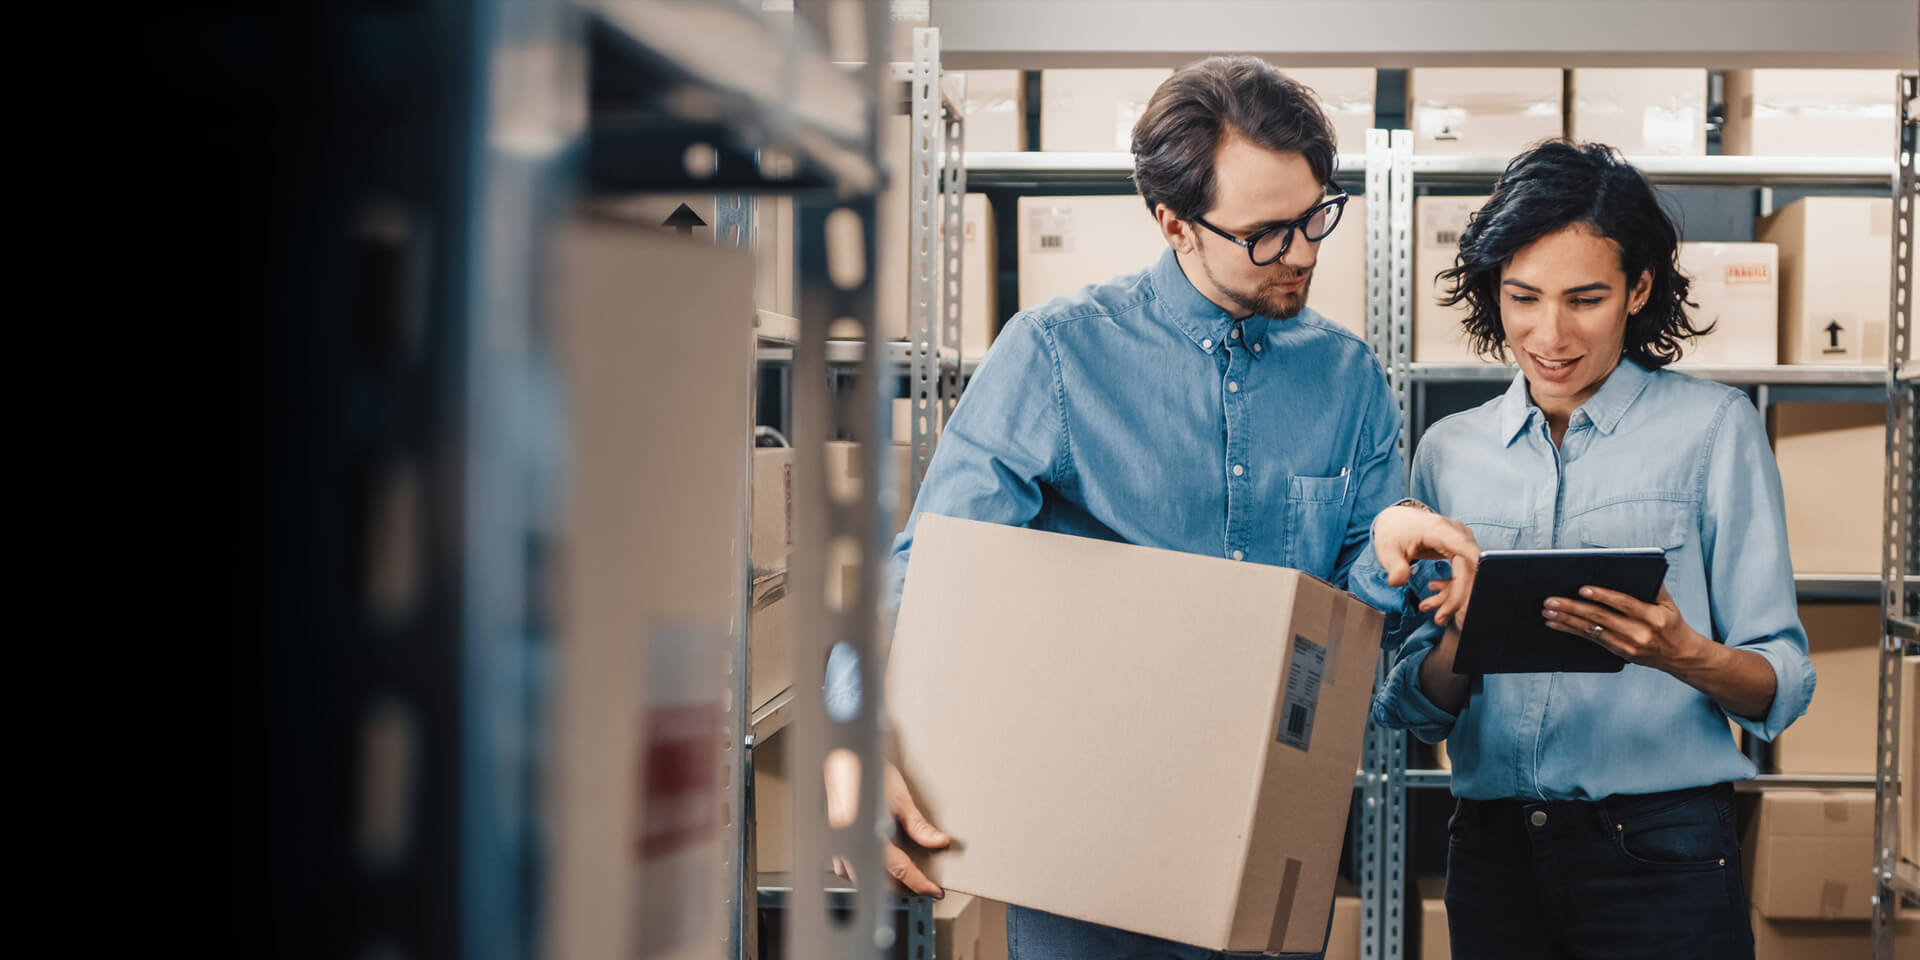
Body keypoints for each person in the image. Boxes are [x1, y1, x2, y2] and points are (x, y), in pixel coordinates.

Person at [830, 56, 1482, 960]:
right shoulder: (1057, 358)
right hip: (1087, 851)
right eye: (1266, 234)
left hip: (1272, 839)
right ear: (1174, 222)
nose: (1301, 253)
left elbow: (1350, 633)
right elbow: (931, 572)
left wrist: (1385, 548)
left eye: (1315, 217)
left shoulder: (1350, 381)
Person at [1364, 141, 1816, 960]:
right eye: (1523, 297)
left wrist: (1682, 655)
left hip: (1660, 850)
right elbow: (1413, 708)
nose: (1551, 334)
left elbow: (1779, 686)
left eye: (1587, 298)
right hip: (1493, 855)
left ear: (1638, 289)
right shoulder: (1447, 452)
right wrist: (1463, 637)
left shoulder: (1715, 431)